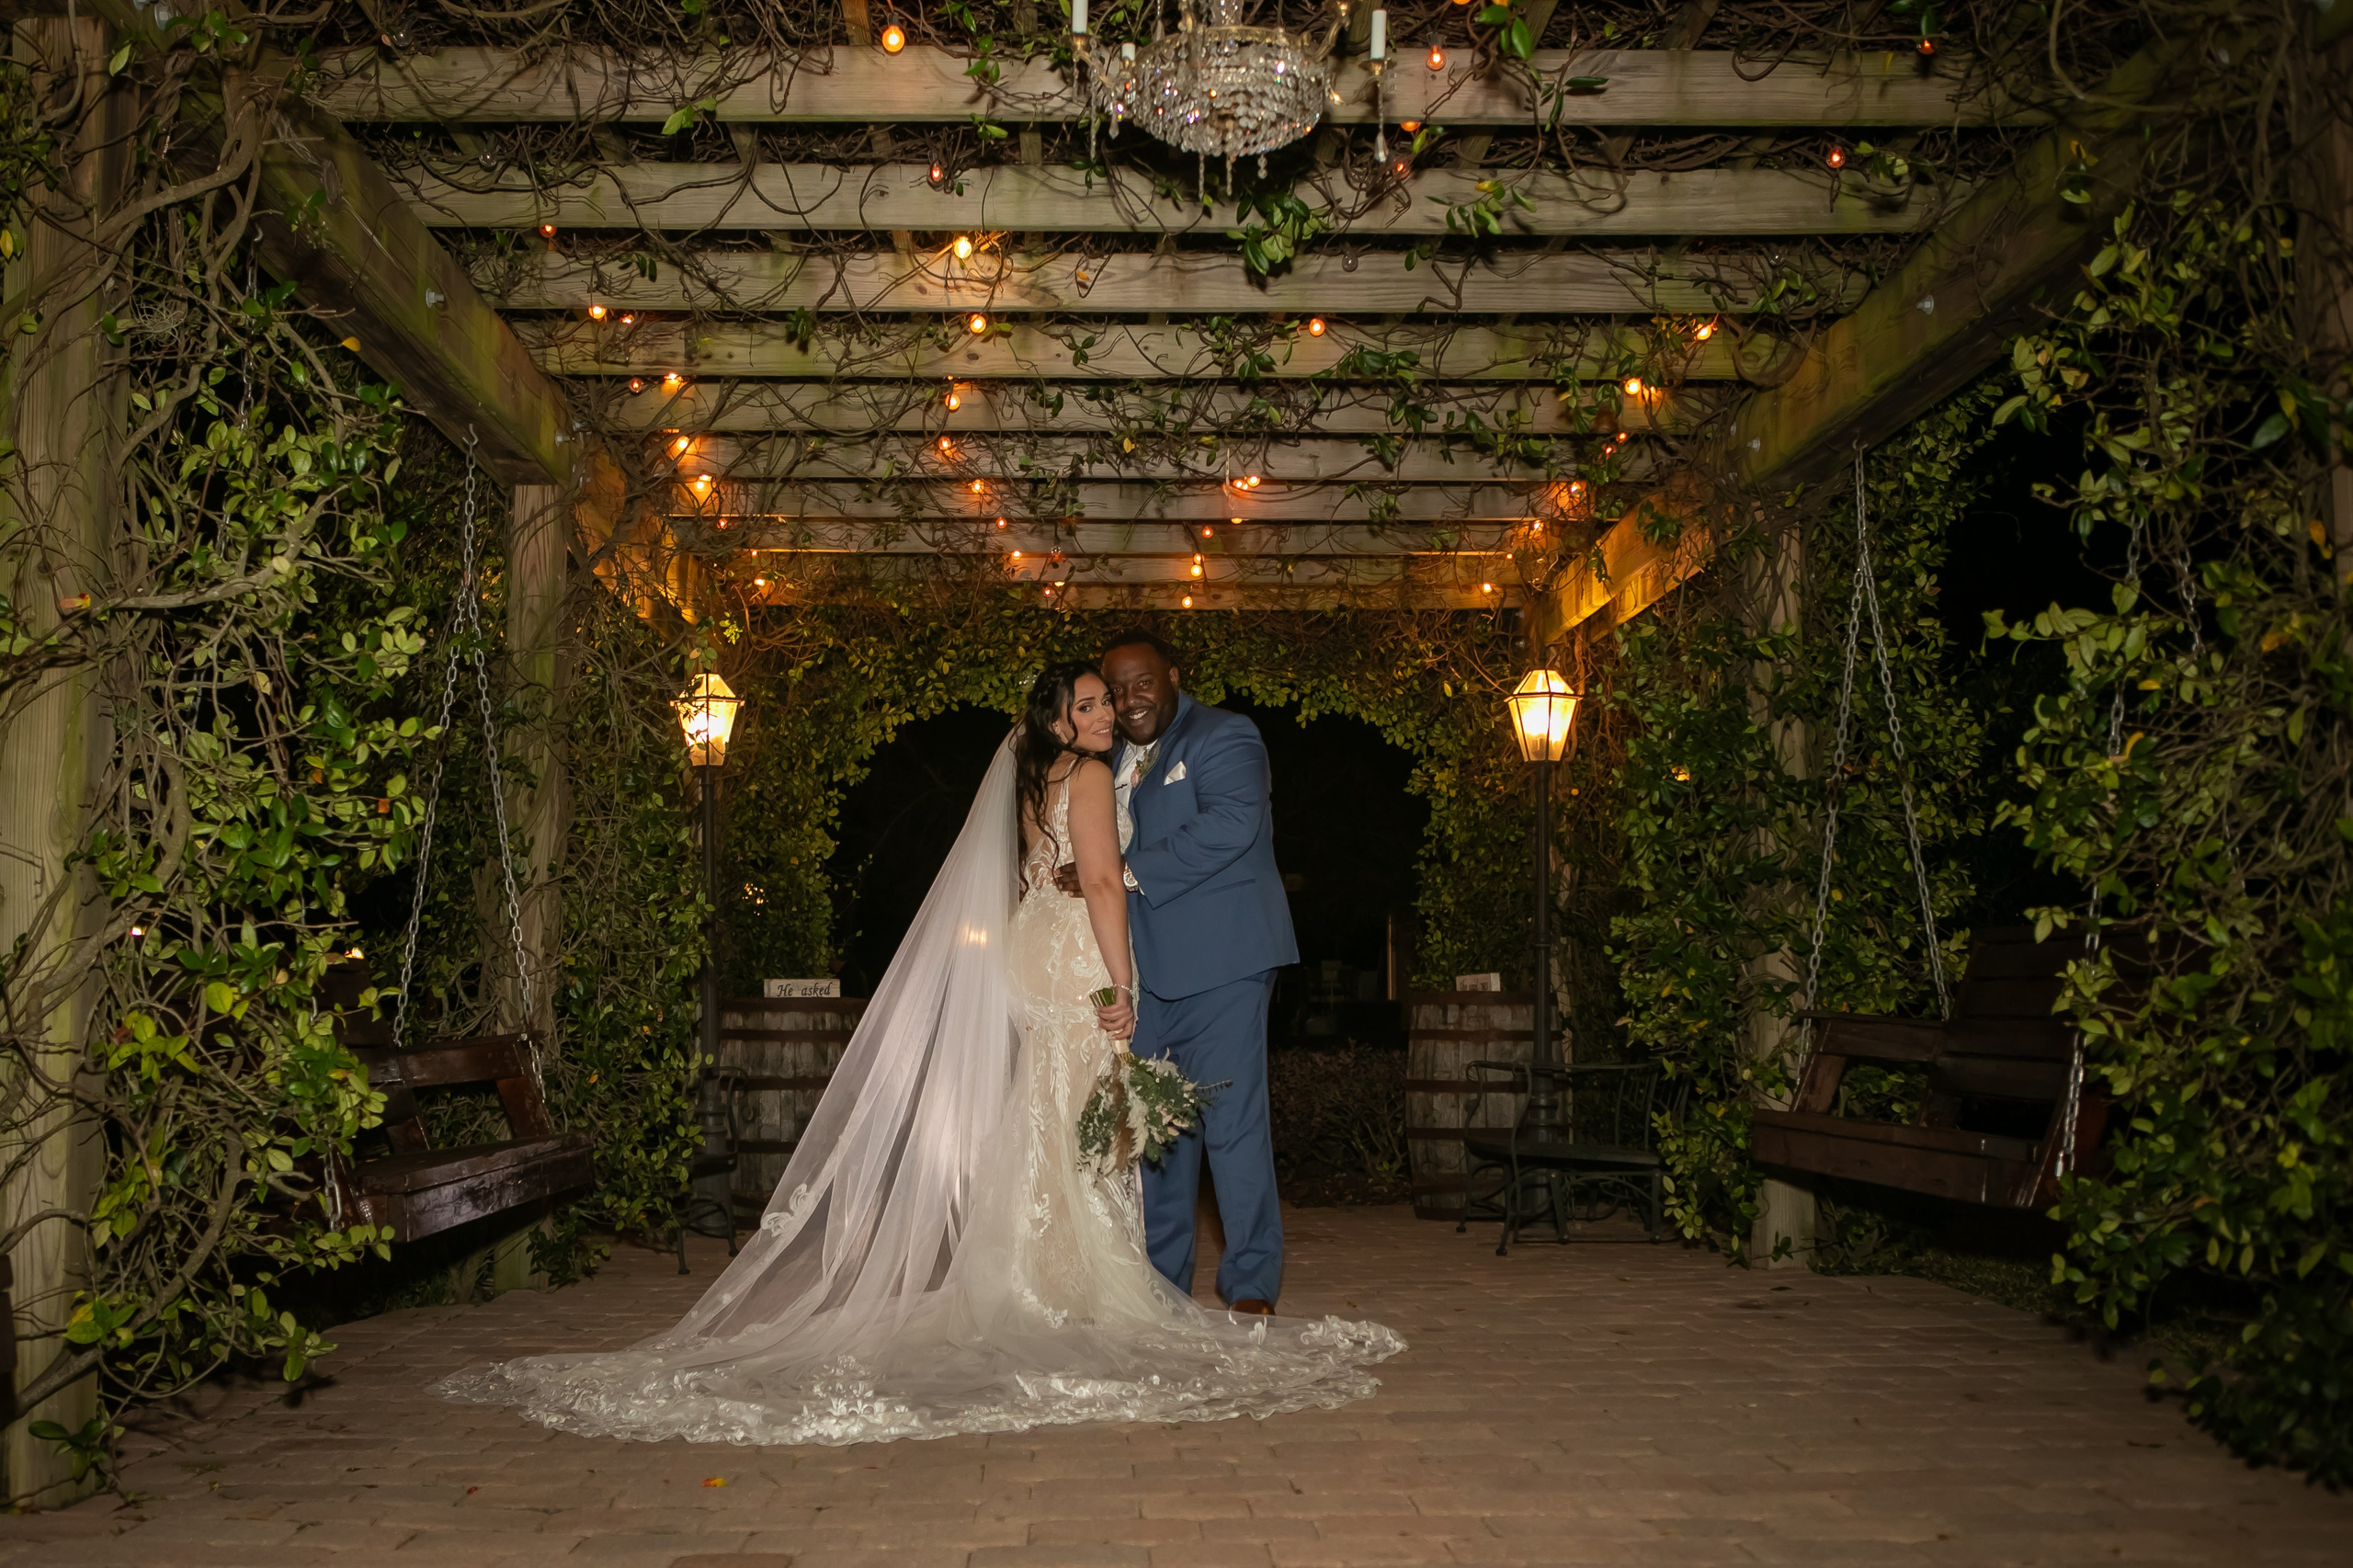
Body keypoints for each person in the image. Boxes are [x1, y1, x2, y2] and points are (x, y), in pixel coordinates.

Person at [430, 663, 1401, 1447]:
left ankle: (1048, 1275)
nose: (1109, 710)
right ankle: (1079, 1285)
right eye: (1092, 700)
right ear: (1062, 719)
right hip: (1077, 956)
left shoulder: (1037, 780)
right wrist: (1122, 985)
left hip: (1034, 950)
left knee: (1049, 1120)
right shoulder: (1097, 776)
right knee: (1074, 1121)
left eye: (1114, 698)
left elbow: (1083, 866)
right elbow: (1104, 883)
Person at [1058, 631, 1296, 1312]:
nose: (1129, 701)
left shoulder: (1225, 736)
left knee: (1232, 1126)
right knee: (1157, 1130)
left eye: (1142, 684)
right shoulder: (1107, 759)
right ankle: (1162, 1287)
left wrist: (1122, 871)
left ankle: (1250, 1285)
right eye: (1114, 690)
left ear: (1173, 676)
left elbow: (1232, 824)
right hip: (1149, 974)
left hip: (1226, 964)